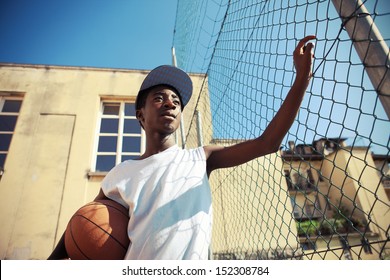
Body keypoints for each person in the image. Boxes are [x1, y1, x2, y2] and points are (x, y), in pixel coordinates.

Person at [48, 35, 316, 260]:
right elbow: (84, 220)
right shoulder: (121, 173)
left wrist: (302, 77)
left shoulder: (201, 157)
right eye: (159, 98)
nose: (170, 103)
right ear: (140, 115)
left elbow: (267, 143)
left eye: (176, 100)